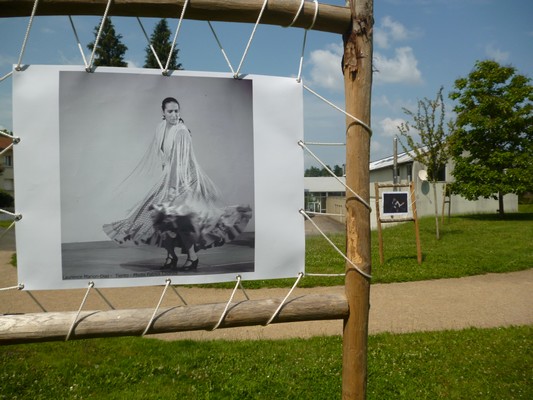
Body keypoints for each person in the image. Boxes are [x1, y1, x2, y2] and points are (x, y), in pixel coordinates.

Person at [103, 97, 252, 271]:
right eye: (170, 111)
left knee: (179, 221)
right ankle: (171, 257)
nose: (174, 115)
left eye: (176, 111)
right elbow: (165, 160)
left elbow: (179, 163)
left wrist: (173, 188)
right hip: (170, 179)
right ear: (163, 113)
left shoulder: (181, 132)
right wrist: (165, 183)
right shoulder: (161, 129)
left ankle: (192, 258)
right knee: (160, 219)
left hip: (185, 180)